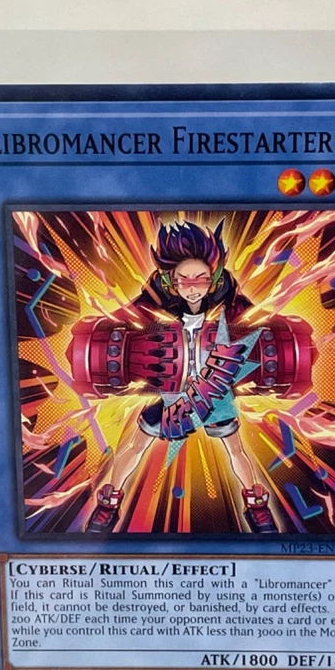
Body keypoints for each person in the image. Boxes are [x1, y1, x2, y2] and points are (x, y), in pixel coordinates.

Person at [86, 221, 277, 534]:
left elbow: (254, 322)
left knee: (236, 449)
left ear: (213, 277)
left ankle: (257, 506)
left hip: (213, 388)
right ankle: (109, 503)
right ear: (171, 280)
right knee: (135, 446)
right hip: (171, 390)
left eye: (200, 279)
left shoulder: (227, 295)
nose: (192, 287)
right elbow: (127, 319)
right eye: (183, 280)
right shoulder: (157, 296)